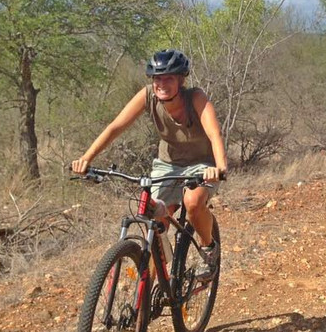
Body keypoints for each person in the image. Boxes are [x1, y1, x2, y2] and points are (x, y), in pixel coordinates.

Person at [71, 49, 228, 273]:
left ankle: (209, 248)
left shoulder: (195, 97)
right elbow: (116, 127)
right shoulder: (147, 96)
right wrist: (86, 158)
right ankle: (149, 296)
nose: (162, 84)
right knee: (153, 221)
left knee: (193, 203)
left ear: (181, 80)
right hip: (168, 164)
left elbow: (214, 133)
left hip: (202, 164)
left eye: (169, 78)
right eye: (157, 78)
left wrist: (220, 166)